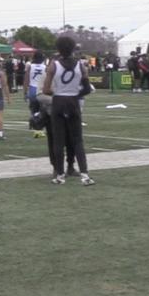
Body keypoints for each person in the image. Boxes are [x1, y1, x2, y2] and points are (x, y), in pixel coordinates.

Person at [42, 36, 94, 186]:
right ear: (73, 49)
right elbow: (86, 89)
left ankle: (59, 175)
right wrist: (75, 94)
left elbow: (45, 89)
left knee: (59, 140)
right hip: (73, 102)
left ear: (58, 49)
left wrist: (58, 92)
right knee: (77, 140)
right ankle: (85, 175)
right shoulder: (81, 65)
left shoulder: (53, 65)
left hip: (58, 101)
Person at [26, 50, 48, 138]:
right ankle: (39, 129)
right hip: (41, 89)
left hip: (32, 88)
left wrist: (24, 91)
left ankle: (36, 129)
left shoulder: (30, 66)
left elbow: (26, 79)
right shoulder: (45, 67)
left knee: (34, 110)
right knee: (42, 111)